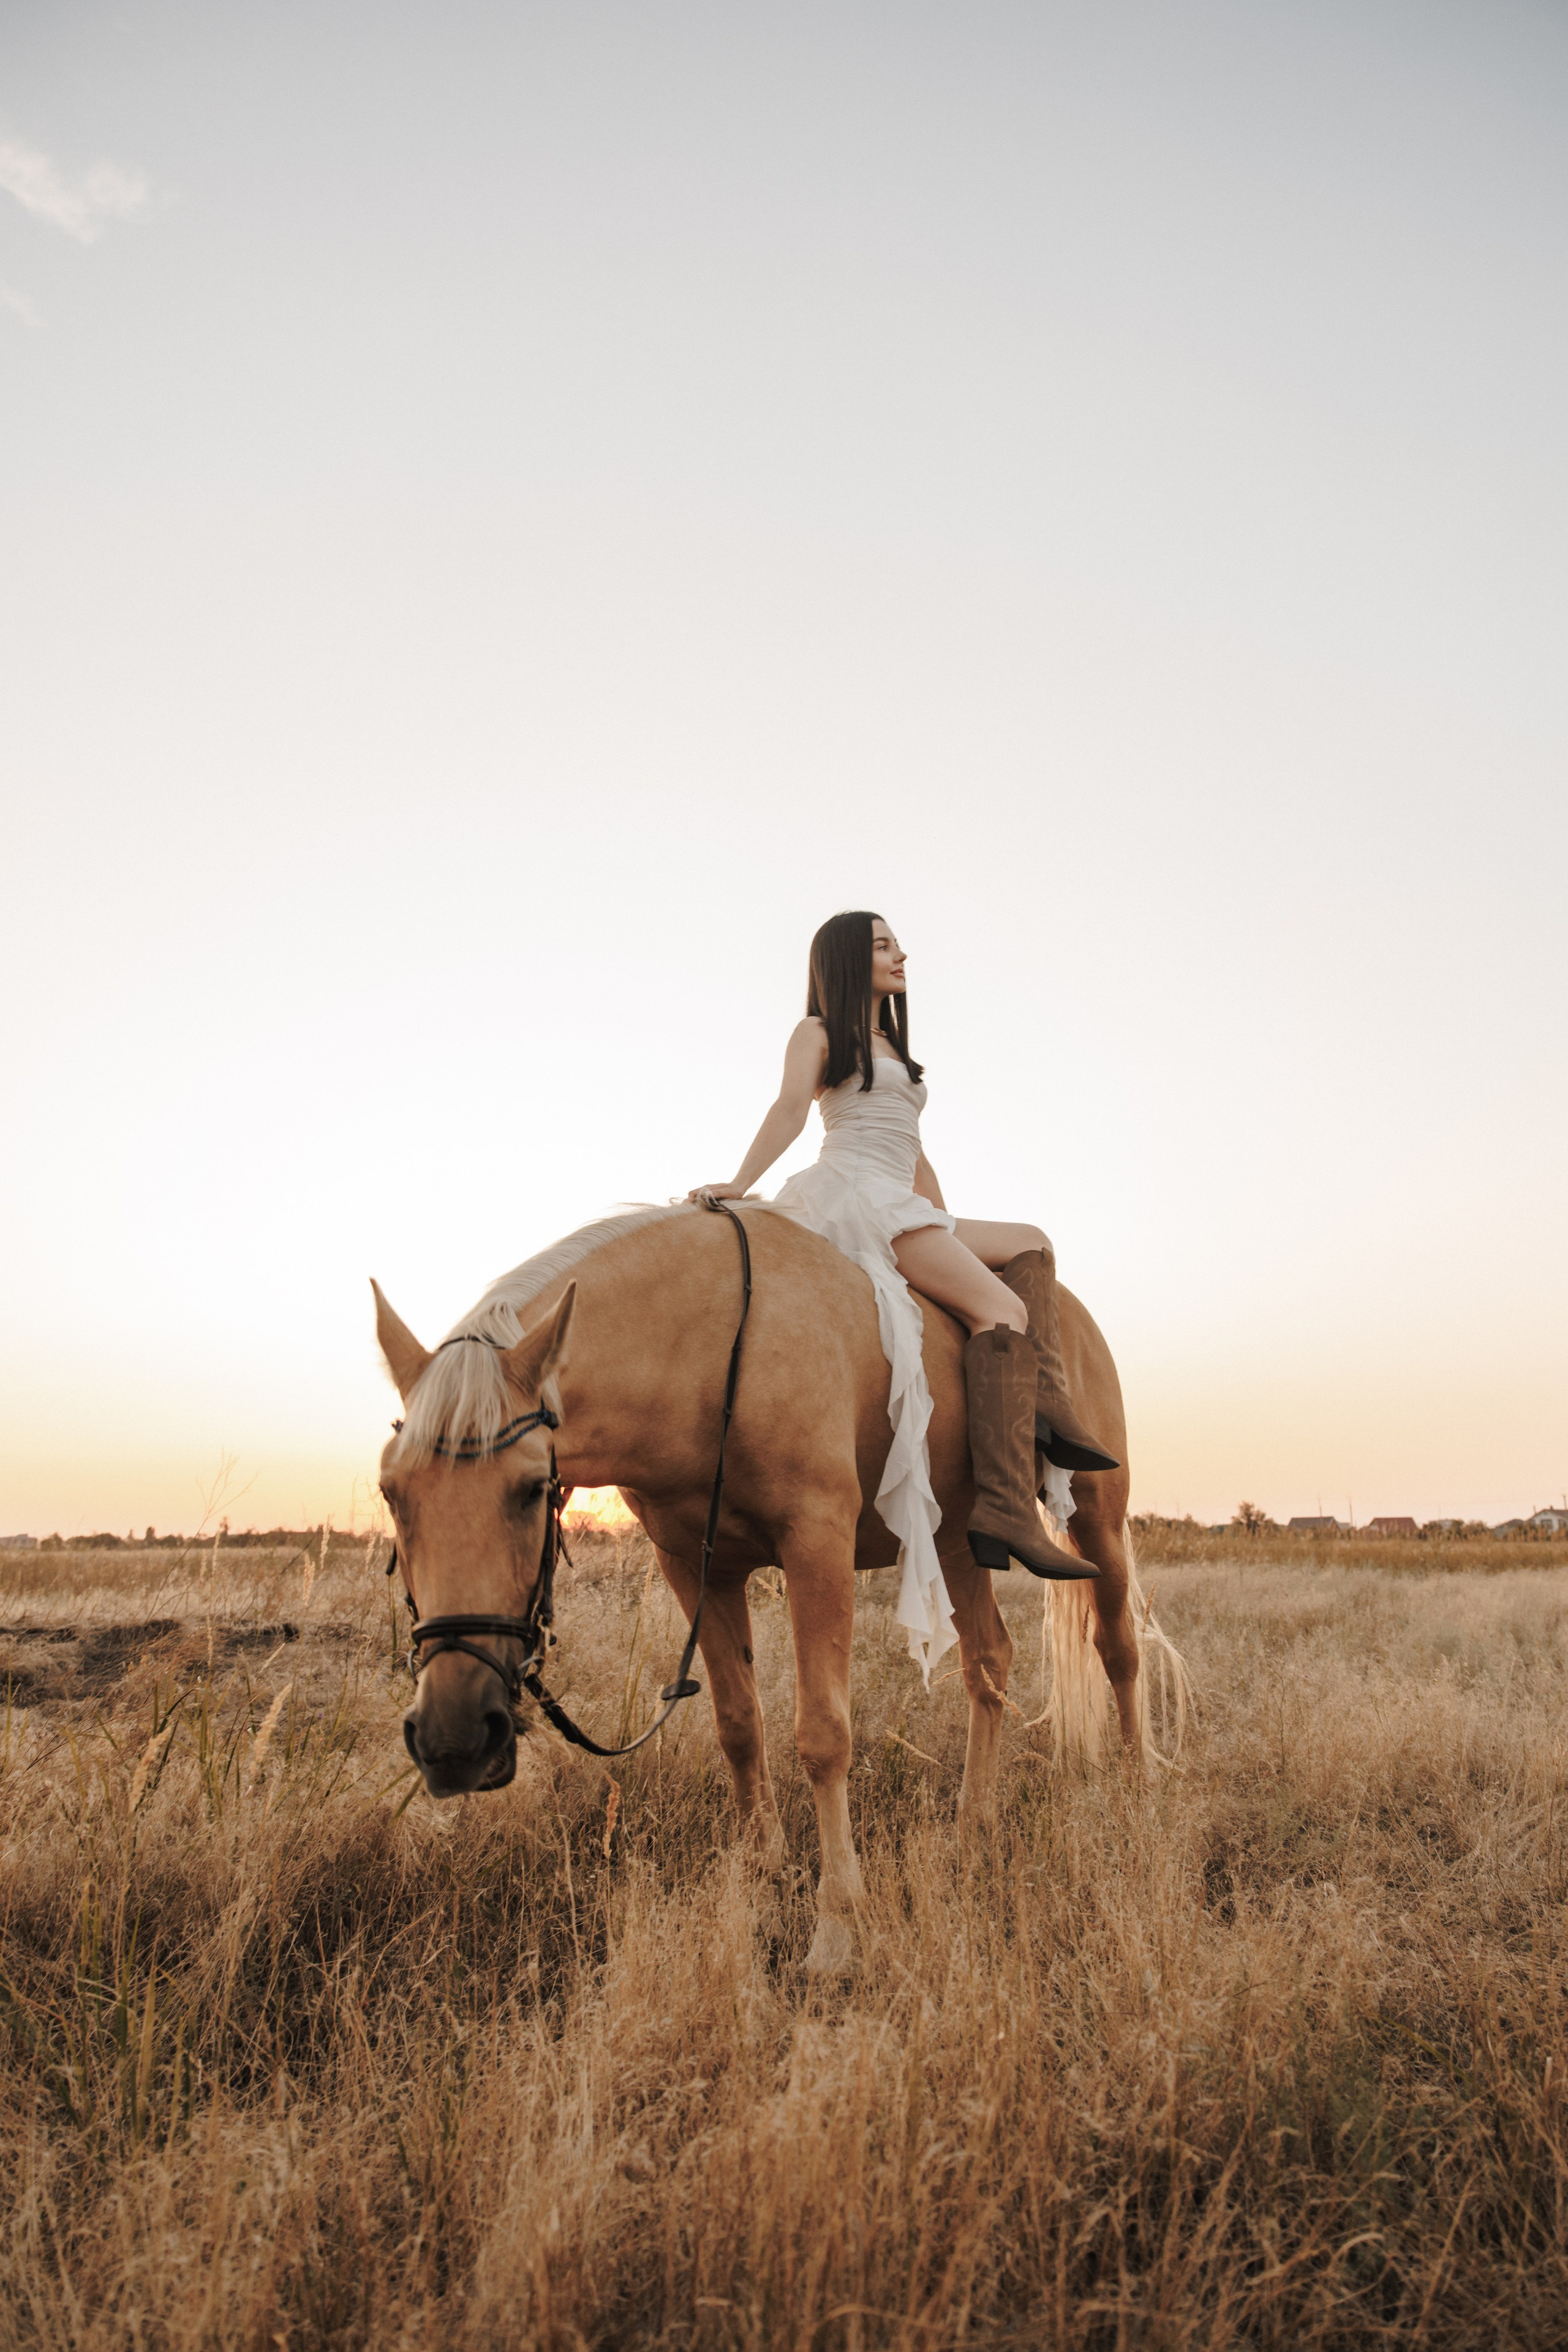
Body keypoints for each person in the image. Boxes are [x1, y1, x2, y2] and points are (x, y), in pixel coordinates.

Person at [688, 909, 1117, 1674]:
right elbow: (791, 1108)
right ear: (850, 958)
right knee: (1003, 1309)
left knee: (1033, 1242)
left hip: (902, 1196)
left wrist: (943, 1224)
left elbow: (912, 1154)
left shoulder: (893, 1050)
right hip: (854, 1194)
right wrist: (738, 1182)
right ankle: (1005, 1498)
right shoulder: (817, 1033)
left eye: (897, 943)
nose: (900, 954)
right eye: (884, 945)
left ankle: (1046, 1407)